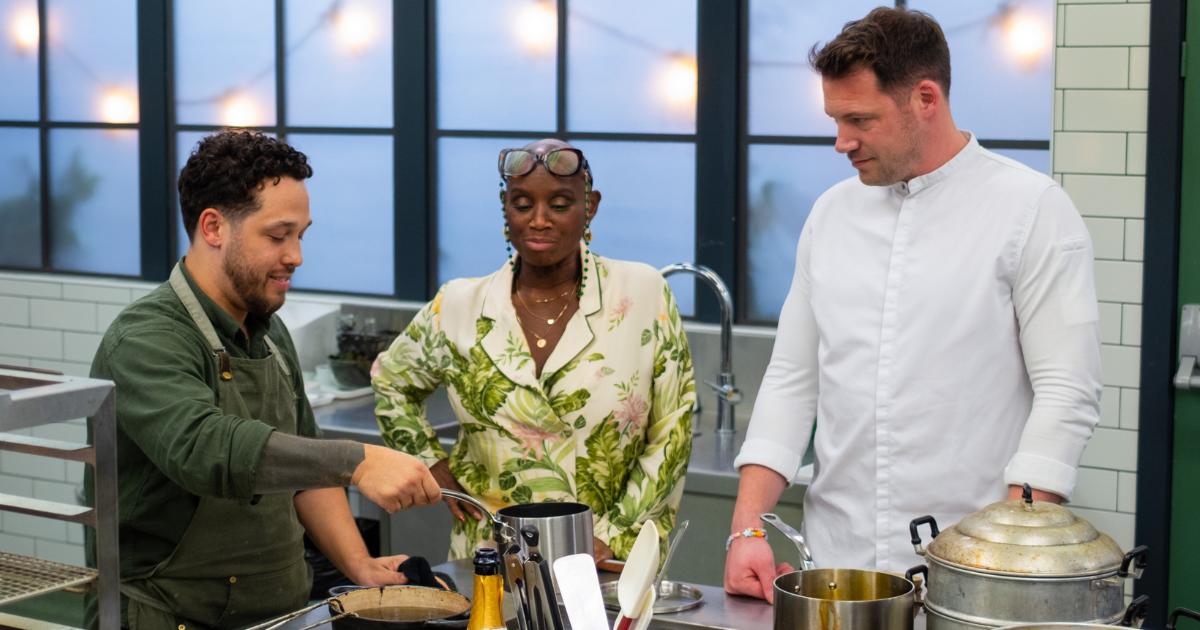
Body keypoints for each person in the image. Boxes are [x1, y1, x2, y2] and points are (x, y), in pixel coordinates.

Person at [724, 7, 1102, 602]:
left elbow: (1066, 392)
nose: (841, 141)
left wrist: (1002, 555)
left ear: (925, 98)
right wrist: (745, 529)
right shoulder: (831, 215)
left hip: (971, 572)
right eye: (835, 118)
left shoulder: (1032, 210)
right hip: (834, 565)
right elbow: (793, 379)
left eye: (859, 119)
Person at [86, 130, 442, 630]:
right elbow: (204, 447)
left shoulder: (271, 336)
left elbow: (304, 465)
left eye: (302, 235)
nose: (296, 255)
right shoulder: (147, 337)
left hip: (280, 616)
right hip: (168, 616)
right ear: (213, 227)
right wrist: (359, 461)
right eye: (278, 235)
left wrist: (359, 565)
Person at [372, 139, 695, 562]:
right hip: (490, 559)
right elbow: (390, 382)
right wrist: (428, 460)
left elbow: (673, 430)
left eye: (560, 204)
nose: (539, 220)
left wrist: (611, 536)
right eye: (522, 204)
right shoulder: (457, 305)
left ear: (590, 206)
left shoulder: (642, 292)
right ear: (506, 208)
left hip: (608, 560)